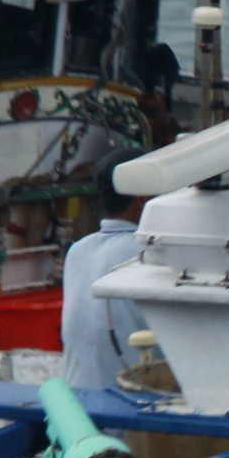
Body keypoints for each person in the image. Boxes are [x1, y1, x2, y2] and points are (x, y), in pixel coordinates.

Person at [58, 154, 150, 390]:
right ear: (141, 199)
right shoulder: (150, 253)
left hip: (78, 406)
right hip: (130, 408)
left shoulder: (77, 251)